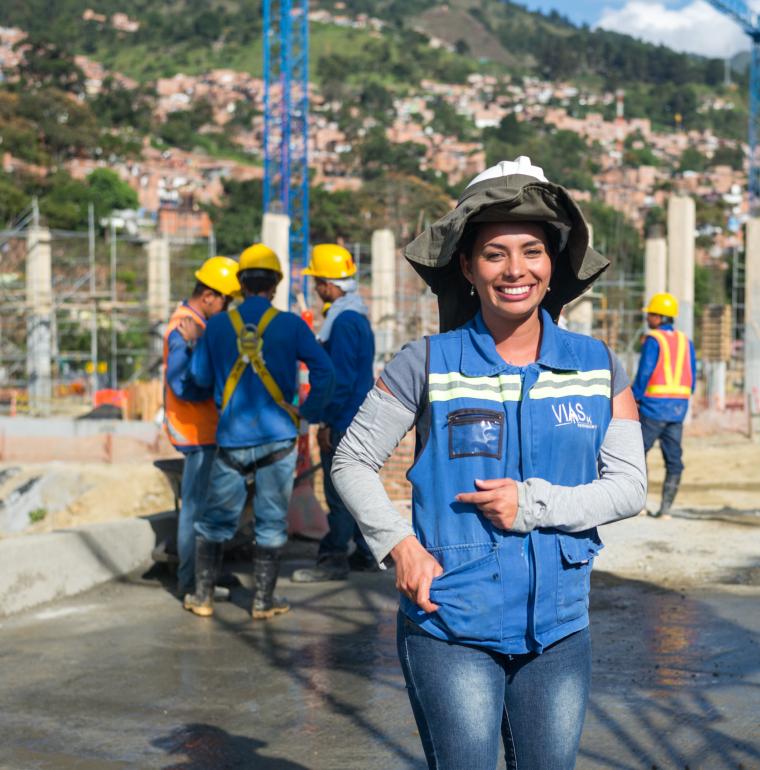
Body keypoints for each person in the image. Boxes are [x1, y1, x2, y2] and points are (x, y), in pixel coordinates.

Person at [331, 156, 647, 770]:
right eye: (495, 253)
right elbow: (351, 459)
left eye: (532, 250)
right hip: (450, 627)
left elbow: (629, 488)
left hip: (558, 635)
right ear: (468, 268)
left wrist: (532, 504)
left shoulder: (599, 366)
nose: (515, 269)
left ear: (553, 266)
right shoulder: (426, 363)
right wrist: (398, 545)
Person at [182, 243, 335, 619]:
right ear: (275, 286)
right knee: (270, 523)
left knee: (215, 520)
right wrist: (308, 412)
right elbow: (325, 371)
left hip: (231, 440)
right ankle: (263, 602)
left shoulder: (216, 326)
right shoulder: (290, 325)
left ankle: (202, 597)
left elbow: (198, 379)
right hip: (278, 441)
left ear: (241, 284)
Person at [291, 244, 376, 583]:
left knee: (339, 489)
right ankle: (367, 552)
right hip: (359, 416)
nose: (315, 290)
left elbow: (338, 380)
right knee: (354, 487)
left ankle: (333, 557)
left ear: (327, 284)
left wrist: (328, 421)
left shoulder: (342, 322)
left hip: (345, 418)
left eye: (317, 283)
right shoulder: (356, 315)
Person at [162, 255, 240, 597]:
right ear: (209, 295)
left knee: (205, 507)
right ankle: (191, 581)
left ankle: (205, 573)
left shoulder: (198, 325)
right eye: (226, 299)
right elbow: (182, 385)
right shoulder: (184, 328)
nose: (227, 307)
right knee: (194, 509)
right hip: (196, 431)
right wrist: (215, 382)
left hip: (207, 430)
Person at [632, 292, 696, 518]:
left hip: (653, 407)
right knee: (674, 459)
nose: (648, 318)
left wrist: (634, 397)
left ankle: (639, 505)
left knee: (638, 454)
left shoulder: (654, 339)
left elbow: (645, 372)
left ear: (660, 317)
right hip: (678, 409)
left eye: (651, 315)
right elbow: (693, 376)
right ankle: (666, 510)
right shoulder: (685, 341)